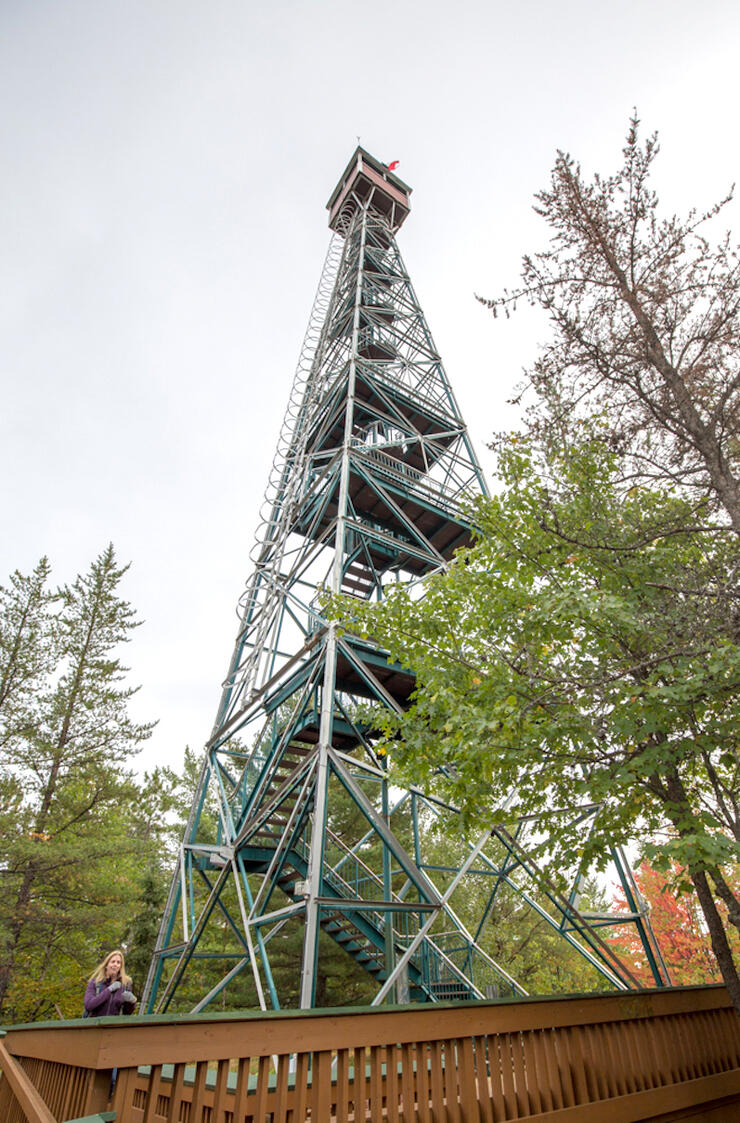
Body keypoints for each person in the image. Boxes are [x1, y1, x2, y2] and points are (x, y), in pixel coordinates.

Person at [83, 949, 137, 1018]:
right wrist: (109, 990)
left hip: (113, 1026)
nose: (115, 964)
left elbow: (126, 1013)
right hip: (94, 1025)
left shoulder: (125, 985)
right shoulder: (95, 983)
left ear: (120, 966)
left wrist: (132, 1003)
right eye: (113, 962)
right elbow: (89, 1005)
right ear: (106, 965)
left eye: (118, 963)